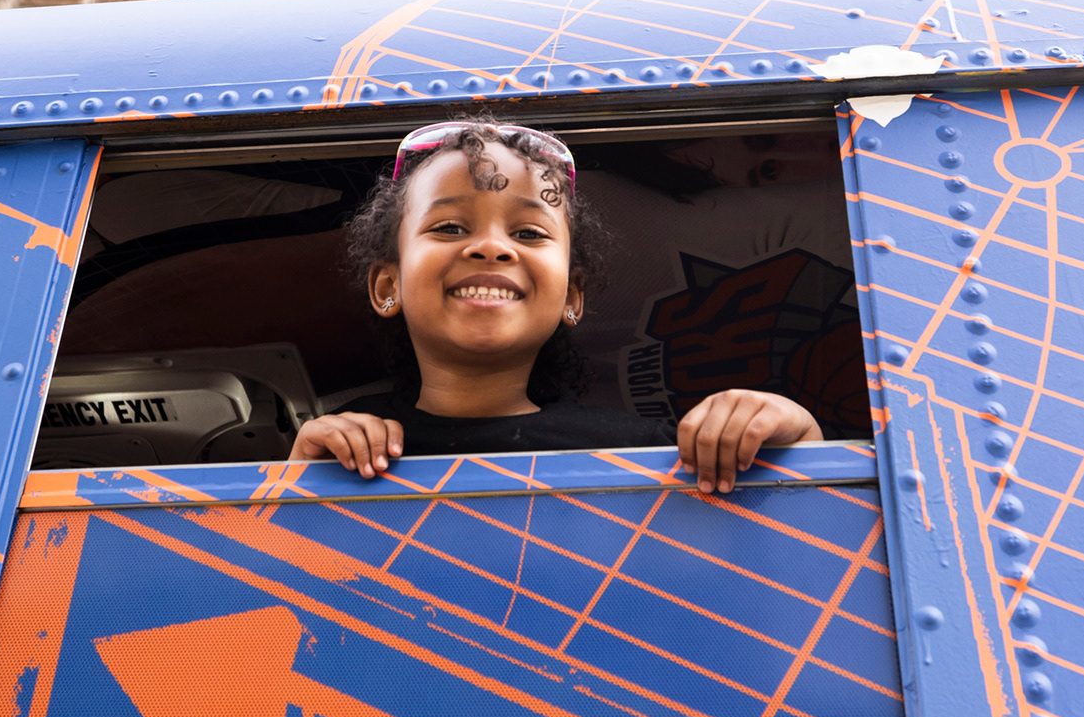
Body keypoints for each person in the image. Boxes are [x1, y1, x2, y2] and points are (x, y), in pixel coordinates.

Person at [288, 119, 822, 496]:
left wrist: (797, 433)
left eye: (528, 232)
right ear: (388, 285)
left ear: (571, 297)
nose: (491, 247)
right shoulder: (345, 449)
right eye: (449, 227)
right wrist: (294, 480)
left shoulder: (649, 453)